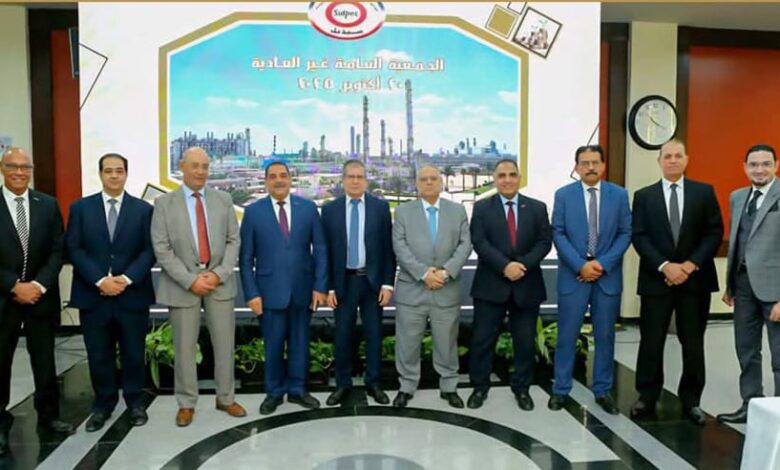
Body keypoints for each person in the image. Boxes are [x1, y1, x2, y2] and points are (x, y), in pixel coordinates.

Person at [630, 139, 723, 425]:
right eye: (667, 156)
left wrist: (689, 265)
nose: (672, 160)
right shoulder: (644, 196)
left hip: (695, 281)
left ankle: (692, 400)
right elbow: (639, 236)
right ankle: (647, 396)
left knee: (693, 342)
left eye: (678, 155)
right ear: (659, 161)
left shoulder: (703, 192)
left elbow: (714, 232)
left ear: (686, 159)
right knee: (651, 341)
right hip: (656, 280)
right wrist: (665, 266)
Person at [151, 146, 246, 427]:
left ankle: (225, 398)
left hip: (219, 284)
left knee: (224, 345)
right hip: (182, 285)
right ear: (182, 167)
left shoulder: (223, 200)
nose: (200, 172)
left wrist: (218, 274)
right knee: (184, 348)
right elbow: (162, 248)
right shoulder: (164, 203)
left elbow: (233, 240)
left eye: (205, 166)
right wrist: (190, 279)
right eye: (195, 166)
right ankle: (186, 403)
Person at [66, 153, 156, 431]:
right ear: (100, 174)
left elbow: (149, 250)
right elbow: (74, 248)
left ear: (126, 174)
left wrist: (125, 279)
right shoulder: (81, 208)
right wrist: (99, 280)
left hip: (132, 295)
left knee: (133, 353)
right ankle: (102, 405)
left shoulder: (143, 210)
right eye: (108, 171)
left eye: (119, 171)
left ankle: (135, 402)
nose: (114, 175)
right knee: (98, 354)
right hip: (93, 296)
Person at [239, 161, 328, 415]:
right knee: (273, 346)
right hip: (268, 293)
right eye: (273, 176)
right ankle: (274, 392)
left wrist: (320, 286)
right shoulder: (253, 213)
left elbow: (320, 250)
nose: (279, 180)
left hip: (303, 290)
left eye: (283, 176)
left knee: (300, 344)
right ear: (266, 181)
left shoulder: (308, 209)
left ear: (290, 179)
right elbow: (245, 259)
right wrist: (251, 293)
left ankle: (298, 390)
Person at [0, 148, 73, 454]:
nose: (19, 172)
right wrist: (14, 286)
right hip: (4, 298)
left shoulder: (48, 204)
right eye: (13, 166)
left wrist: (39, 285)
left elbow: (58, 249)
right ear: (2, 169)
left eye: (25, 167)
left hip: (40, 298)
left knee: (44, 360)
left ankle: (49, 416)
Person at [548, 145, 631, 414]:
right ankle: (561, 388)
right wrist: (580, 265)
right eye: (584, 163)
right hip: (574, 275)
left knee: (605, 336)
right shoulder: (563, 195)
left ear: (603, 165)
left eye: (595, 162)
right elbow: (558, 233)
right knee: (567, 334)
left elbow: (625, 233)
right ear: (576, 167)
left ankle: (603, 390)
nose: (590, 167)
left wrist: (602, 264)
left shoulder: (619, 195)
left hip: (607, 276)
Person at [467, 158, 552, 411]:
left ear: (519, 177)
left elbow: (544, 242)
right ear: (494, 179)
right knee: (482, 341)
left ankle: (522, 388)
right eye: (502, 175)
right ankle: (479, 387)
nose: (507, 180)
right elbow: (479, 242)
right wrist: (505, 266)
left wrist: (521, 265)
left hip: (527, 284)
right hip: (490, 285)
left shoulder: (537, 208)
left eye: (512, 175)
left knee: (524, 342)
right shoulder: (482, 208)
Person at [391, 165, 471, 409]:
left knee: (446, 343)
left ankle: (449, 386)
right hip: (412, 291)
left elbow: (465, 245)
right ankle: (406, 386)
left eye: (433, 178)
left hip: (446, 289)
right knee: (408, 343)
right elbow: (400, 247)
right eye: (423, 179)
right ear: (417, 184)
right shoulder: (403, 212)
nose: (428, 182)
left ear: (441, 182)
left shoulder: (457, 211)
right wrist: (424, 274)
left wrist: (445, 273)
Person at [321, 160, 395, 406]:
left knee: (374, 335)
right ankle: (343, 384)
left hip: (372, 283)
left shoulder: (380, 208)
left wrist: (387, 284)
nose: (355, 181)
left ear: (366, 180)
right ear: (343, 180)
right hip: (343, 283)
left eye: (359, 177)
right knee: (342, 336)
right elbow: (324, 252)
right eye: (350, 176)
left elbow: (388, 249)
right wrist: (328, 287)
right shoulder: (330, 210)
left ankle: (374, 383)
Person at [718, 144, 780, 424]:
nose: (760, 169)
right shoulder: (738, 197)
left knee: (779, 356)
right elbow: (738, 242)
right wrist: (730, 285)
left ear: (776, 166)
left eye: (766, 164)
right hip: (743, 288)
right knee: (746, 350)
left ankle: (779, 412)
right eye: (754, 164)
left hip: (775, 290)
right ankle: (751, 404)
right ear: (745, 167)